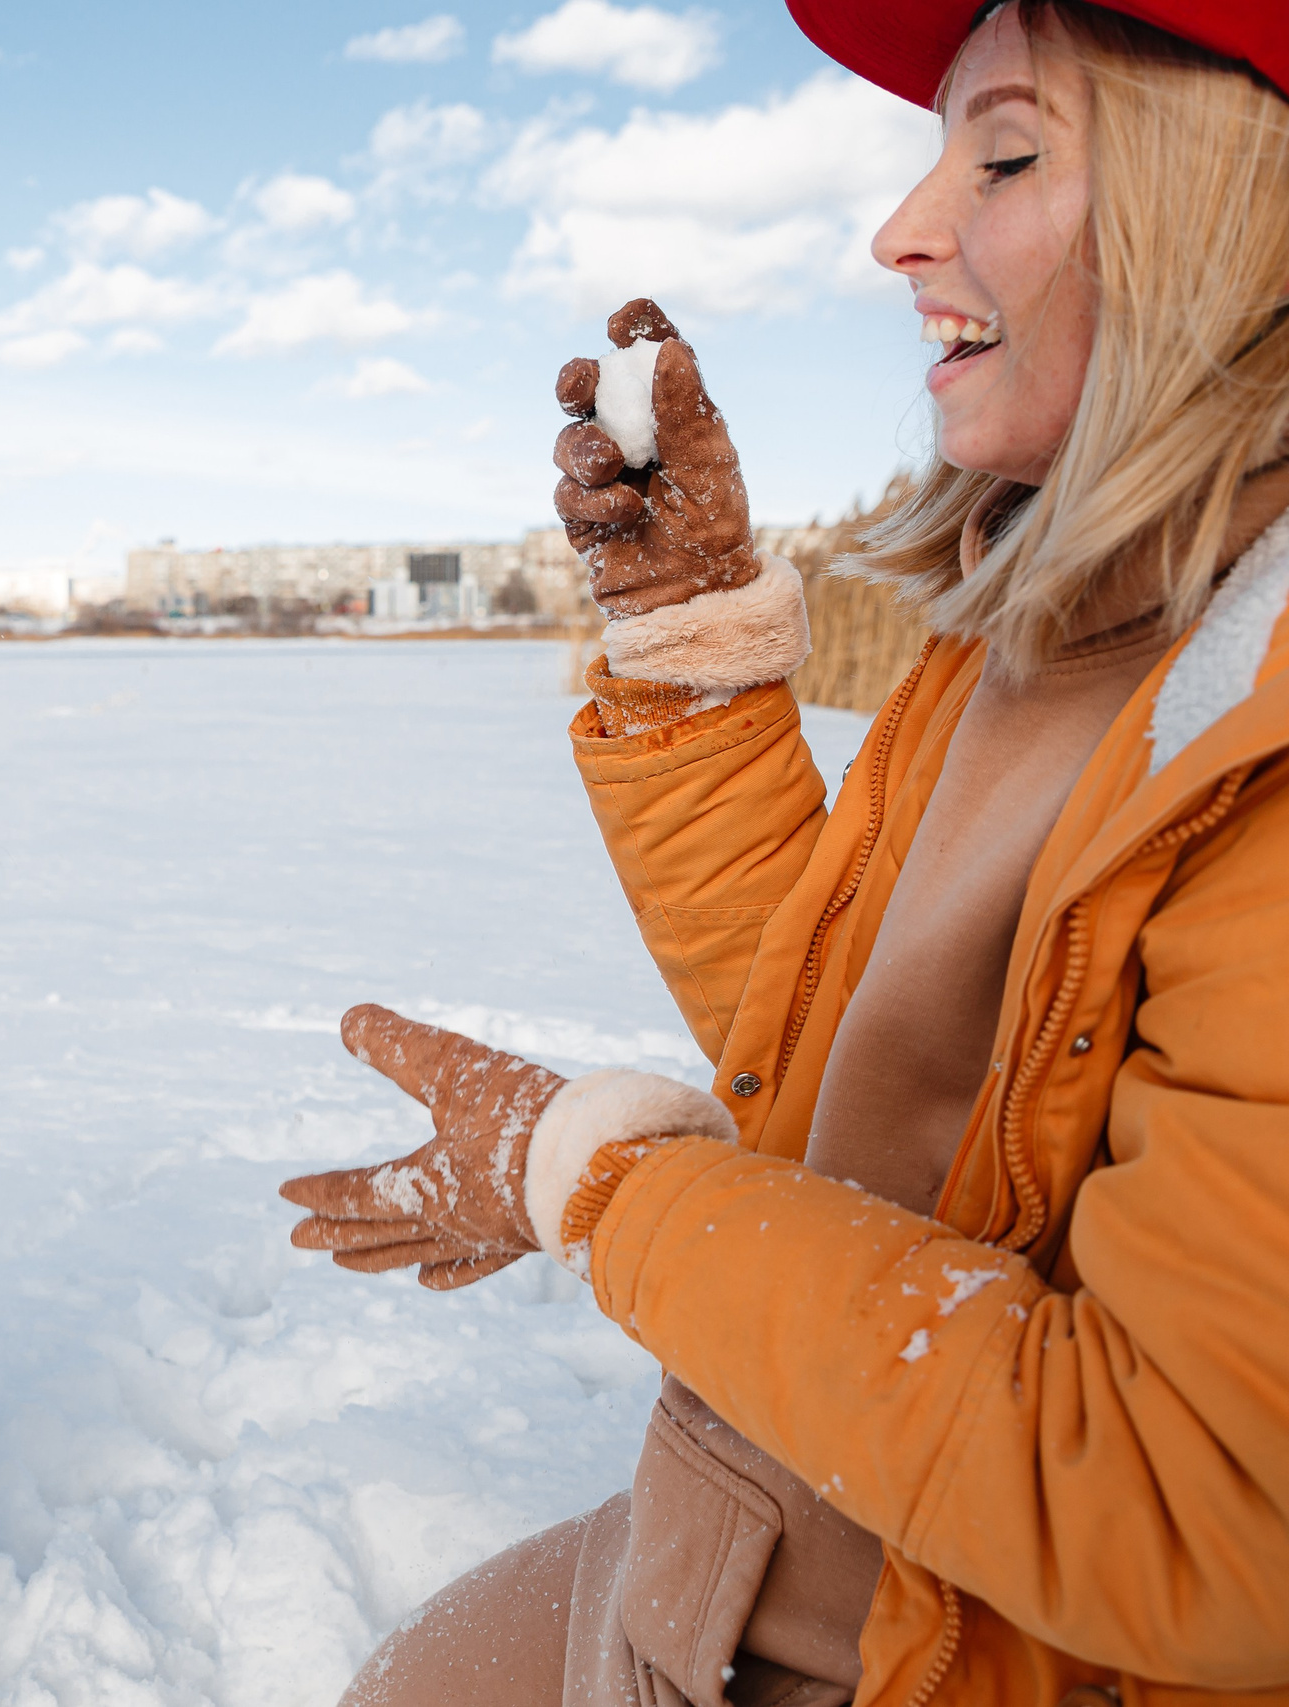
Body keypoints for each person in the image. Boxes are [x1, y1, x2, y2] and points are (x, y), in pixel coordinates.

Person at [277, 2, 1289, 1702]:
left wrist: (595, 1184)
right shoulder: (1055, 629)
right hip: (751, 1522)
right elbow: (863, 1067)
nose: (900, 228)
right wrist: (686, 645)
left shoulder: (1253, 726)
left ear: (1237, 207)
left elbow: (1184, 1506)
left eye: (1008, 155)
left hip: (925, 1653)